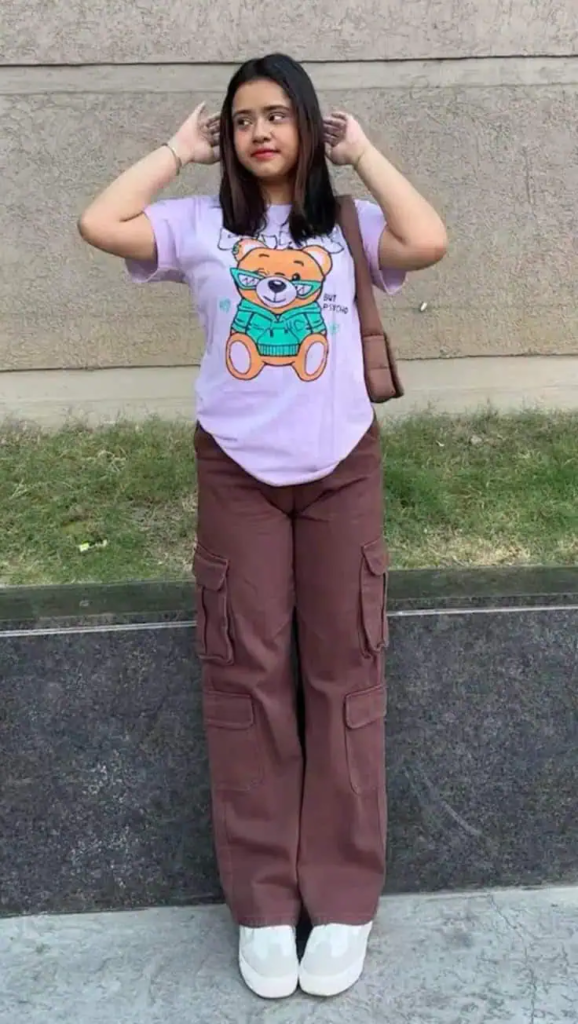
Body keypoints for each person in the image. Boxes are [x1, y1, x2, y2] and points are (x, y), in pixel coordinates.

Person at [79, 52, 447, 1000]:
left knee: (345, 671)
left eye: (278, 114)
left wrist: (363, 154)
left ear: (308, 125)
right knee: (245, 678)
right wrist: (176, 149)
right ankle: (264, 904)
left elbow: (429, 238)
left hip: (341, 471)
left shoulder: (347, 227)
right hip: (237, 473)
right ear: (229, 138)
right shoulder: (199, 224)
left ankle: (345, 897)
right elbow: (100, 222)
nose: (260, 132)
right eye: (244, 119)